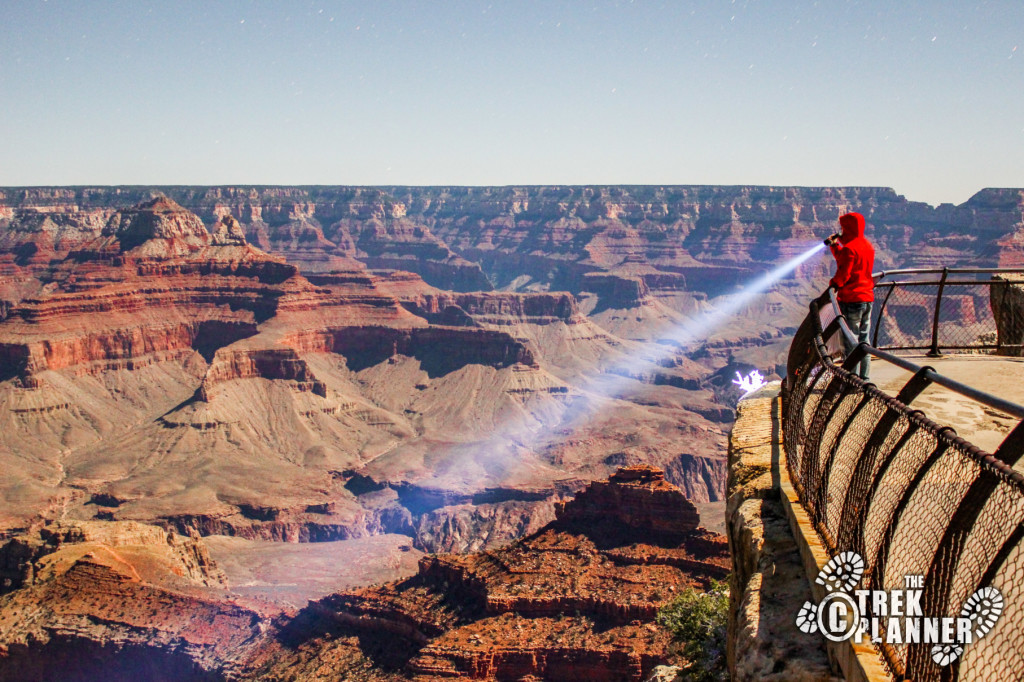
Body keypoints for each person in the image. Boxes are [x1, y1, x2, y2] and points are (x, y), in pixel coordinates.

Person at [827, 211, 875, 380]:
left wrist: (833, 284)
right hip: (867, 297)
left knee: (851, 341)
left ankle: (851, 380)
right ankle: (865, 377)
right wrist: (835, 245)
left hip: (852, 300)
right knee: (864, 339)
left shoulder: (850, 248)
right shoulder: (867, 245)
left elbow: (843, 275)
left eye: (843, 227)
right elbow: (846, 258)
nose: (841, 230)